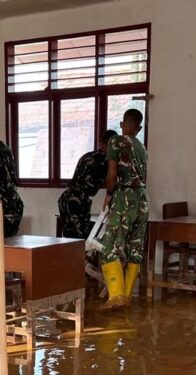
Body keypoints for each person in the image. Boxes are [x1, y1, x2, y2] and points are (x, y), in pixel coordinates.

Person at [100, 109, 149, 310]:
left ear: (122, 124)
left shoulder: (116, 141)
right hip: (143, 199)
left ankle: (116, 296)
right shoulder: (141, 147)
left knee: (109, 246)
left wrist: (109, 194)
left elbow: (112, 174)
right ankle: (126, 297)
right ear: (139, 128)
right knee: (134, 247)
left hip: (124, 198)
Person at [58, 129, 118, 239]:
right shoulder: (105, 161)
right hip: (77, 202)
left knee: (71, 239)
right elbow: (112, 179)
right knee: (80, 239)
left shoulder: (88, 155)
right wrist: (110, 194)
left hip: (66, 198)